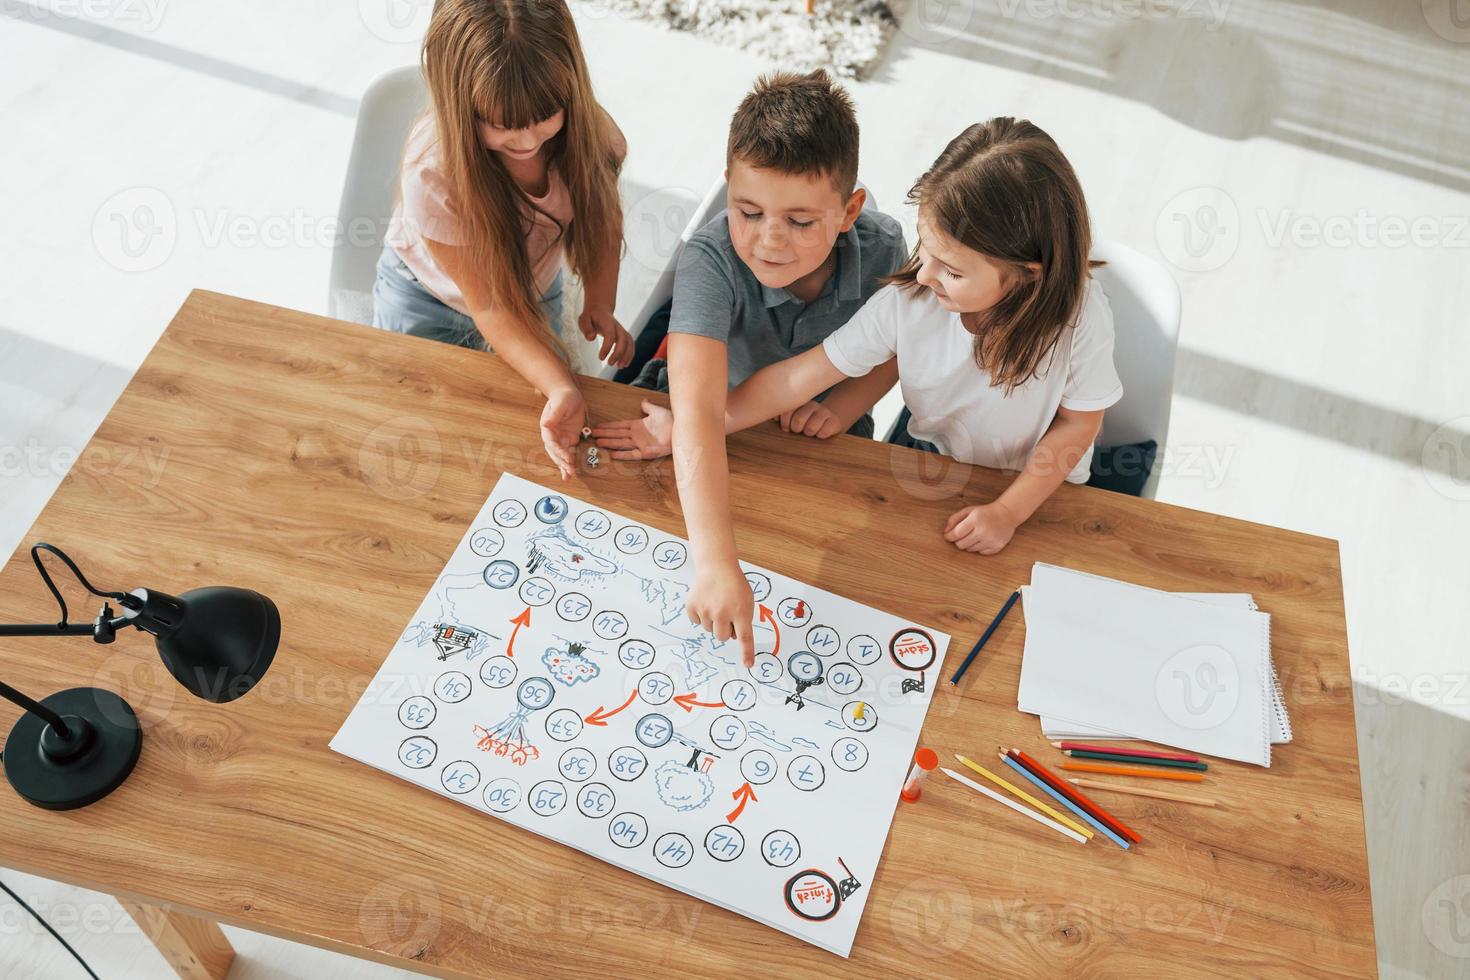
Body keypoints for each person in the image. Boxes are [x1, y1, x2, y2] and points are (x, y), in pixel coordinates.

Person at [372, 0, 632, 479]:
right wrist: (558, 384)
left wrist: (600, 297)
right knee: (424, 432)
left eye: (545, 115)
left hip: (531, 291)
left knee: (530, 431)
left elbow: (604, 217)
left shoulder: (596, 139)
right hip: (424, 299)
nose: (528, 141)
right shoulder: (432, 172)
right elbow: (489, 306)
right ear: (457, 102)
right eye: (501, 125)